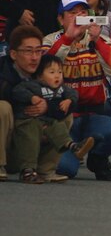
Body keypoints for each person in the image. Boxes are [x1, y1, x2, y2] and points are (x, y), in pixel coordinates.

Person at [43, 0, 111, 181]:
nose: (78, 17)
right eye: (72, 13)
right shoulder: (50, 41)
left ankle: (97, 158)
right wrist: (67, 38)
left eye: (83, 12)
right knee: (67, 169)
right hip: (63, 119)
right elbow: (42, 73)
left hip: (92, 115)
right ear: (60, 18)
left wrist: (97, 42)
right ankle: (60, 153)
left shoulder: (99, 40)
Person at [0, 25, 84, 183]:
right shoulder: (3, 72)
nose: (34, 57)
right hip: (9, 141)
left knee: (65, 112)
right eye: (28, 51)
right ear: (13, 53)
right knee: (3, 107)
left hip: (33, 139)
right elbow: (11, 94)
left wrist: (48, 107)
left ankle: (45, 169)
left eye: (38, 51)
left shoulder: (44, 71)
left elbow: (65, 94)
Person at [10, 54, 94, 182]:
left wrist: (69, 100)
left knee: (57, 126)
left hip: (46, 121)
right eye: (52, 72)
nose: (57, 75)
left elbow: (73, 93)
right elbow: (17, 91)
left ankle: (74, 147)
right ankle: (28, 170)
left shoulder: (61, 89)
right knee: (30, 140)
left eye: (60, 72)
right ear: (40, 76)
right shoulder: (34, 85)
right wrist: (31, 98)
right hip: (28, 121)